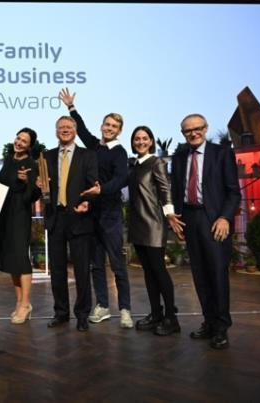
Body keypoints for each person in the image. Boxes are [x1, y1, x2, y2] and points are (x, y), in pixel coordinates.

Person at [59, 88, 133, 329]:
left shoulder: (120, 153)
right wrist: (71, 108)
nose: (109, 128)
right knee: (96, 264)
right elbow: (81, 129)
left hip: (111, 215)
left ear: (119, 131)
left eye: (114, 126)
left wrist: (102, 190)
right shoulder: (93, 146)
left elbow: (122, 179)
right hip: (92, 215)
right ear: (102, 126)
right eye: (107, 124)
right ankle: (102, 306)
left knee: (117, 264)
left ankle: (125, 309)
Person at [171, 114, 240, 349]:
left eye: (197, 128)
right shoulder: (179, 158)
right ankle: (209, 322)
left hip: (214, 220)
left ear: (205, 128)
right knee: (199, 276)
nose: (193, 133)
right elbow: (174, 190)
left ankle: (221, 328)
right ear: (183, 133)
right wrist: (175, 218)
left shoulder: (221, 153)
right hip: (189, 218)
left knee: (217, 275)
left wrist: (224, 217)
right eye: (187, 130)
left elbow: (233, 192)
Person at [40, 116, 99, 332]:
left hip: (79, 217)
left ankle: (82, 314)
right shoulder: (46, 157)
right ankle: (61, 313)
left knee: (82, 270)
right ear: (56, 131)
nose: (64, 130)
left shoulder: (88, 155)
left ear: (74, 130)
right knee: (57, 270)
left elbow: (94, 185)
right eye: (61, 127)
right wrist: (40, 186)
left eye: (68, 127)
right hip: (56, 218)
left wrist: (87, 203)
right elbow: (44, 189)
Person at [128, 126, 185, 336]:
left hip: (153, 224)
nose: (140, 142)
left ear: (151, 141)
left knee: (159, 270)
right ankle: (156, 314)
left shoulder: (157, 162)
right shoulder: (133, 165)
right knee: (148, 272)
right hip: (136, 225)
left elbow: (164, 190)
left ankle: (172, 318)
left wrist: (170, 215)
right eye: (137, 139)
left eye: (144, 138)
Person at [0, 128, 41, 324]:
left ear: (29, 145)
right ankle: (19, 302)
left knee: (21, 259)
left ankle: (25, 304)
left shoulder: (31, 165)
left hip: (20, 214)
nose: (19, 142)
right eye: (18, 138)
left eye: (24, 140)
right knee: (11, 261)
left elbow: (34, 195)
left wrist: (26, 182)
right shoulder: (8, 160)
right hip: (4, 214)